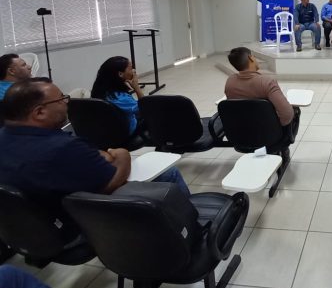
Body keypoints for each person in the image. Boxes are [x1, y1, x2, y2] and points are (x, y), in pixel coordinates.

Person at [0, 78, 190, 218]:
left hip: (36, 225)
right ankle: (194, 227)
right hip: (78, 219)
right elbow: (111, 183)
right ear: (39, 112)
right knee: (170, 174)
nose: (66, 103)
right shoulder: (62, 148)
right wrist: (122, 155)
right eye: (61, 99)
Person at [225, 47, 299, 135]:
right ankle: (283, 145)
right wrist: (275, 126)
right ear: (250, 58)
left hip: (241, 133)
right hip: (268, 134)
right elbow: (287, 115)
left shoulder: (230, 81)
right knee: (295, 110)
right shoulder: (267, 82)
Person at [91, 56, 143, 135]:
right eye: (130, 68)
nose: (133, 71)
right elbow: (145, 108)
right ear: (120, 74)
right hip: (127, 131)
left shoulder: (98, 92)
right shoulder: (121, 98)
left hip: (108, 131)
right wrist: (137, 88)